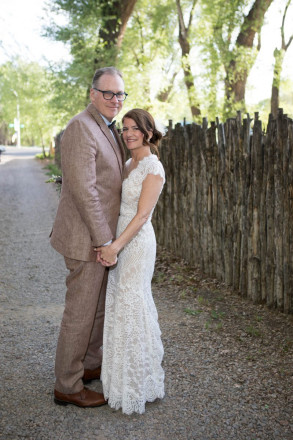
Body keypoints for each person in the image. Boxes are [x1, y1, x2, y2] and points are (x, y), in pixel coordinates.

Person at [50, 66, 126, 407]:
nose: (115, 99)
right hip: (87, 240)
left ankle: (89, 366)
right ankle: (67, 384)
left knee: (95, 309)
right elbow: (85, 191)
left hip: (100, 238)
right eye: (108, 93)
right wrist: (102, 241)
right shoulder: (81, 127)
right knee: (80, 312)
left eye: (120, 94)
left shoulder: (105, 127)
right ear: (93, 94)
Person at [96, 108, 166, 415]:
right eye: (124, 128)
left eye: (134, 128)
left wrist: (115, 248)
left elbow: (141, 216)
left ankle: (136, 384)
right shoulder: (128, 163)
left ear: (148, 132)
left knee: (132, 304)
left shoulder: (153, 168)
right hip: (118, 239)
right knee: (119, 305)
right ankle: (118, 379)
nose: (128, 133)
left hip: (135, 244)